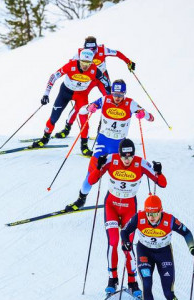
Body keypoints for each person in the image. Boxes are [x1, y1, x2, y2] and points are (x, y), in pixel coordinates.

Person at [83, 138, 167, 295]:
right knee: (113, 241)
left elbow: (162, 183)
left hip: (129, 209)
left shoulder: (140, 163)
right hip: (111, 206)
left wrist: (158, 171)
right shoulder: (110, 160)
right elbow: (91, 180)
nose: (127, 159)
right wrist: (98, 167)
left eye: (130, 156)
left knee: (126, 244)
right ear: (119, 154)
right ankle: (112, 278)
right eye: (124, 156)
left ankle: (132, 281)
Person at [65, 79, 155, 211]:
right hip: (102, 142)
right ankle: (81, 199)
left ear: (124, 94)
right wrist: (89, 108)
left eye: (120, 95)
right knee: (91, 172)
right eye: (115, 95)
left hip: (118, 146)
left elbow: (151, 118)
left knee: (120, 175)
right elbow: (81, 111)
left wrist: (143, 114)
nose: (117, 98)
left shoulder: (131, 103)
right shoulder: (104, 100)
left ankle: (120, 204)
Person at [120, 195, 194, 300]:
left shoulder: (169, 220)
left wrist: (192, 248)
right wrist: (125, 242)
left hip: (164, 254)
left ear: (161, 211)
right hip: (144, 253)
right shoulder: (139, 218)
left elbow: (186, 232)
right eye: (149, 214)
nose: (151, 217)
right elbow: (124, 231)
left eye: (155, 213)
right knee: (146, 284)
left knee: (168, 292)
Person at [57, 36, 135, 139]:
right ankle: (67, 128)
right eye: (88, 49)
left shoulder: (103, 50)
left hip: (102, 78)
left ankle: (103, 131)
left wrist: (128, 62)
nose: (91, 52)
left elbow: (117, 53)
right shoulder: (80, 54)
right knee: (80, 106)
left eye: (93, 49)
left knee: (110, 102)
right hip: (88, 80)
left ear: (96, 46)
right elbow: (71, 65)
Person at [33, 48, 109, 155]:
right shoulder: (71, 65)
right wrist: (46, 93)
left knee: (84, 120)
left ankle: (84, 146)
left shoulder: (94, 70)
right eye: (83, 62)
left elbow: (105, 81)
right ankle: (45, 139)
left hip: (81, 95)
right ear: (79, 60)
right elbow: (54, 76)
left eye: (88, 63)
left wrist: (111, 90)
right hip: (65, 92)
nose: (85, 65)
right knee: (54, 117)